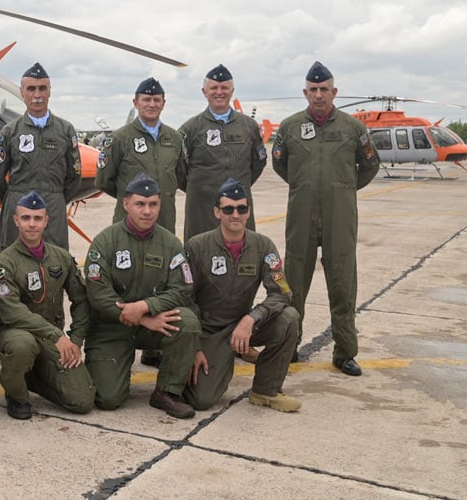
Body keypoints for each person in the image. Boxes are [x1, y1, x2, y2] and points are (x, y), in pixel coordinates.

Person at [271, 61, 380, 376]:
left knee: (343, 282)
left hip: (339, 216)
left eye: (324, 90)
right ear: (305, 92)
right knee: (292, 284)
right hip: (301, 215)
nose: (318, 95)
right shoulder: (290, 127)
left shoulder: (352, 128)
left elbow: (370, 165)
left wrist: (343, 189)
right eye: (313, 90)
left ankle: (345, 352)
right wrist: (303, 186)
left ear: (335, 92)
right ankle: (289, 347)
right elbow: (281, 165)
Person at [82, 172, 200, 419]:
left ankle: (167, 392)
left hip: (154, 325)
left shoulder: (171, 244)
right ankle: (106, 367)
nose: (147, 211)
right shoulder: (105, 242)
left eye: (153, 204)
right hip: (112, 326)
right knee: (108, 398)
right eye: (140, 204)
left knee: (187, 322)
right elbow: (98, 294)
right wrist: (140, 317)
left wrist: (147, 306)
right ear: (126, 204)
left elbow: (182, 289)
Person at [183, 179, 301, 413]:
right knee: (202, 400)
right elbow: (184, 299)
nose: (235, 214)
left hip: (243, 325)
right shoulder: (197, 247)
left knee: (289, 318)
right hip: (209, 330)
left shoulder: (263, 246)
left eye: (242, 209)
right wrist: (193, 347)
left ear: (248, 212)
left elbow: (283, 292)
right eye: (228, 209)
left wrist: (252, 318)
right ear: (217, 212)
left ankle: (265, 391)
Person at [0, 191, 94, 419]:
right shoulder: (4, 264)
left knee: (82, 400)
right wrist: (57, 336)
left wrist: (75, 340)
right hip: (16, 333)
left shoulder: (62, 258)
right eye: (26, 218)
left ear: (46, 221)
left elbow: (82, 300)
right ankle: (16, 394)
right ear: (16, 220)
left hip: (50, 338)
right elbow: (12, 312)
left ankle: (31, 377)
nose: (32, 224)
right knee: (22, 346)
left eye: (37, 218)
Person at [0, 62, 81, 252]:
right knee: (14, 262)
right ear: (22, 92)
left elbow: (74, 176)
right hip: (17, 208)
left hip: (53, 209)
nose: (37, 95)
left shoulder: (65, 130)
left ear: (49, 91)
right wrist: (13, 199)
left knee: (55, 263)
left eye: (42, 88)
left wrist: (56, 198)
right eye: (31, 89)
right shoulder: (10, 132)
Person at [178, 64, 267, 243]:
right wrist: (201, 188)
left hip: (238, 209)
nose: (219, 92)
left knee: (242, 256)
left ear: (232, 90)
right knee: (200, 255)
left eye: (224, 88)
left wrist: (239, 185)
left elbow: (257, 164)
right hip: (202, 209)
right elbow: (178, 169)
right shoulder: (191, 128)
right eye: (214, 88)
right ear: (204, 91)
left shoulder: (248, 126)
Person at [95, 77, 186, 234]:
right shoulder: (119, 139)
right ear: (135, 102)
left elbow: (180, 176)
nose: (152, 104)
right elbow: (103, 180)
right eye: (146, 99)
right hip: (128, 223)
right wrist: (131, 199)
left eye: (157, 100)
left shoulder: (175, 138)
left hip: (165, 221)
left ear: (163, 104)